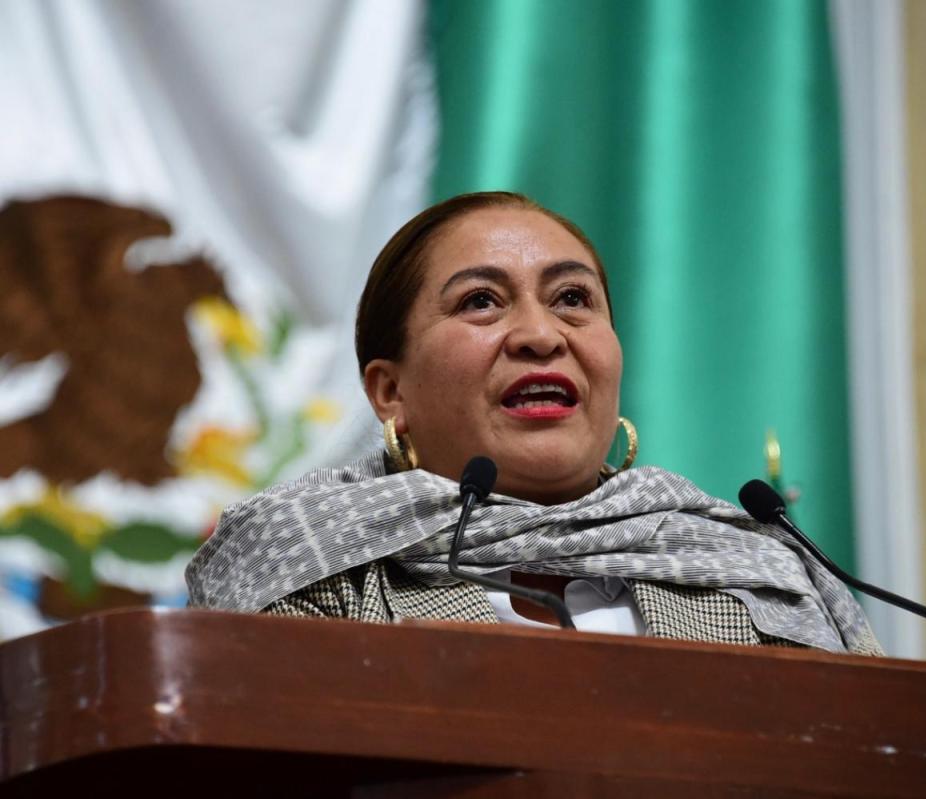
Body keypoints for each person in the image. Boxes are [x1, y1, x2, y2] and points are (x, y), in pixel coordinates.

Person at [186, 191, 882, 655]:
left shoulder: (754, 574)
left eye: (573, 298)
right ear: (390, 391)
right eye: (482, 301)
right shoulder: (301, 574)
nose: (542, 335)